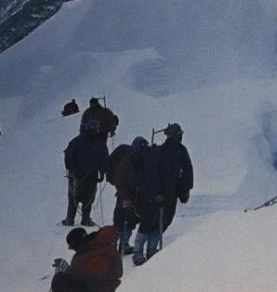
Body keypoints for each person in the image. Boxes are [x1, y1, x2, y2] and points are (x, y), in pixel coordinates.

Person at [133, 124, 193, 266]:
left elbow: (187, 171)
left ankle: (152, 250)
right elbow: (151, 174)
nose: (179, 137)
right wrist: (156, 192)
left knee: (163, 222)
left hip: (171, 194)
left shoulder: (181, 151)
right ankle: (137, 252)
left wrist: (184, 190)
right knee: (148, 222)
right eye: (177, 134)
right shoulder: (158, 151)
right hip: (154, 195)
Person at [63, 121, 109, 227]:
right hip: (77, 175)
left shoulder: (100, 143)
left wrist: (102, 172)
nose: (94, 130)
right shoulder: (77, 141)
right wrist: (73, 169)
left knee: (89, 198)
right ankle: (70, 219)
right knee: (74, 197)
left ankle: (85, 219)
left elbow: (104, 159)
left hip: (92, 175)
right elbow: (68, 157)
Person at [108, 137, 149, 255]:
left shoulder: (145, 160)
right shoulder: (126, 162)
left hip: (137, 197)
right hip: (124, 196)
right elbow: (120, 181)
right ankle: (113, 245)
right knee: (120, 221)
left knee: (130, 221)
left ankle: (124, 244)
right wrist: (125, 197)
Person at [51, 226, 122, 292]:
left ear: (79, 243)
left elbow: (96, 274)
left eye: (74, 247)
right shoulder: (90, 247)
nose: (75, 250)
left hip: (98, 288)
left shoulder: (99, 249)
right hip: (90, 285)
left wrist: (70, 271)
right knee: (60, 279)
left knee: (60, 282)